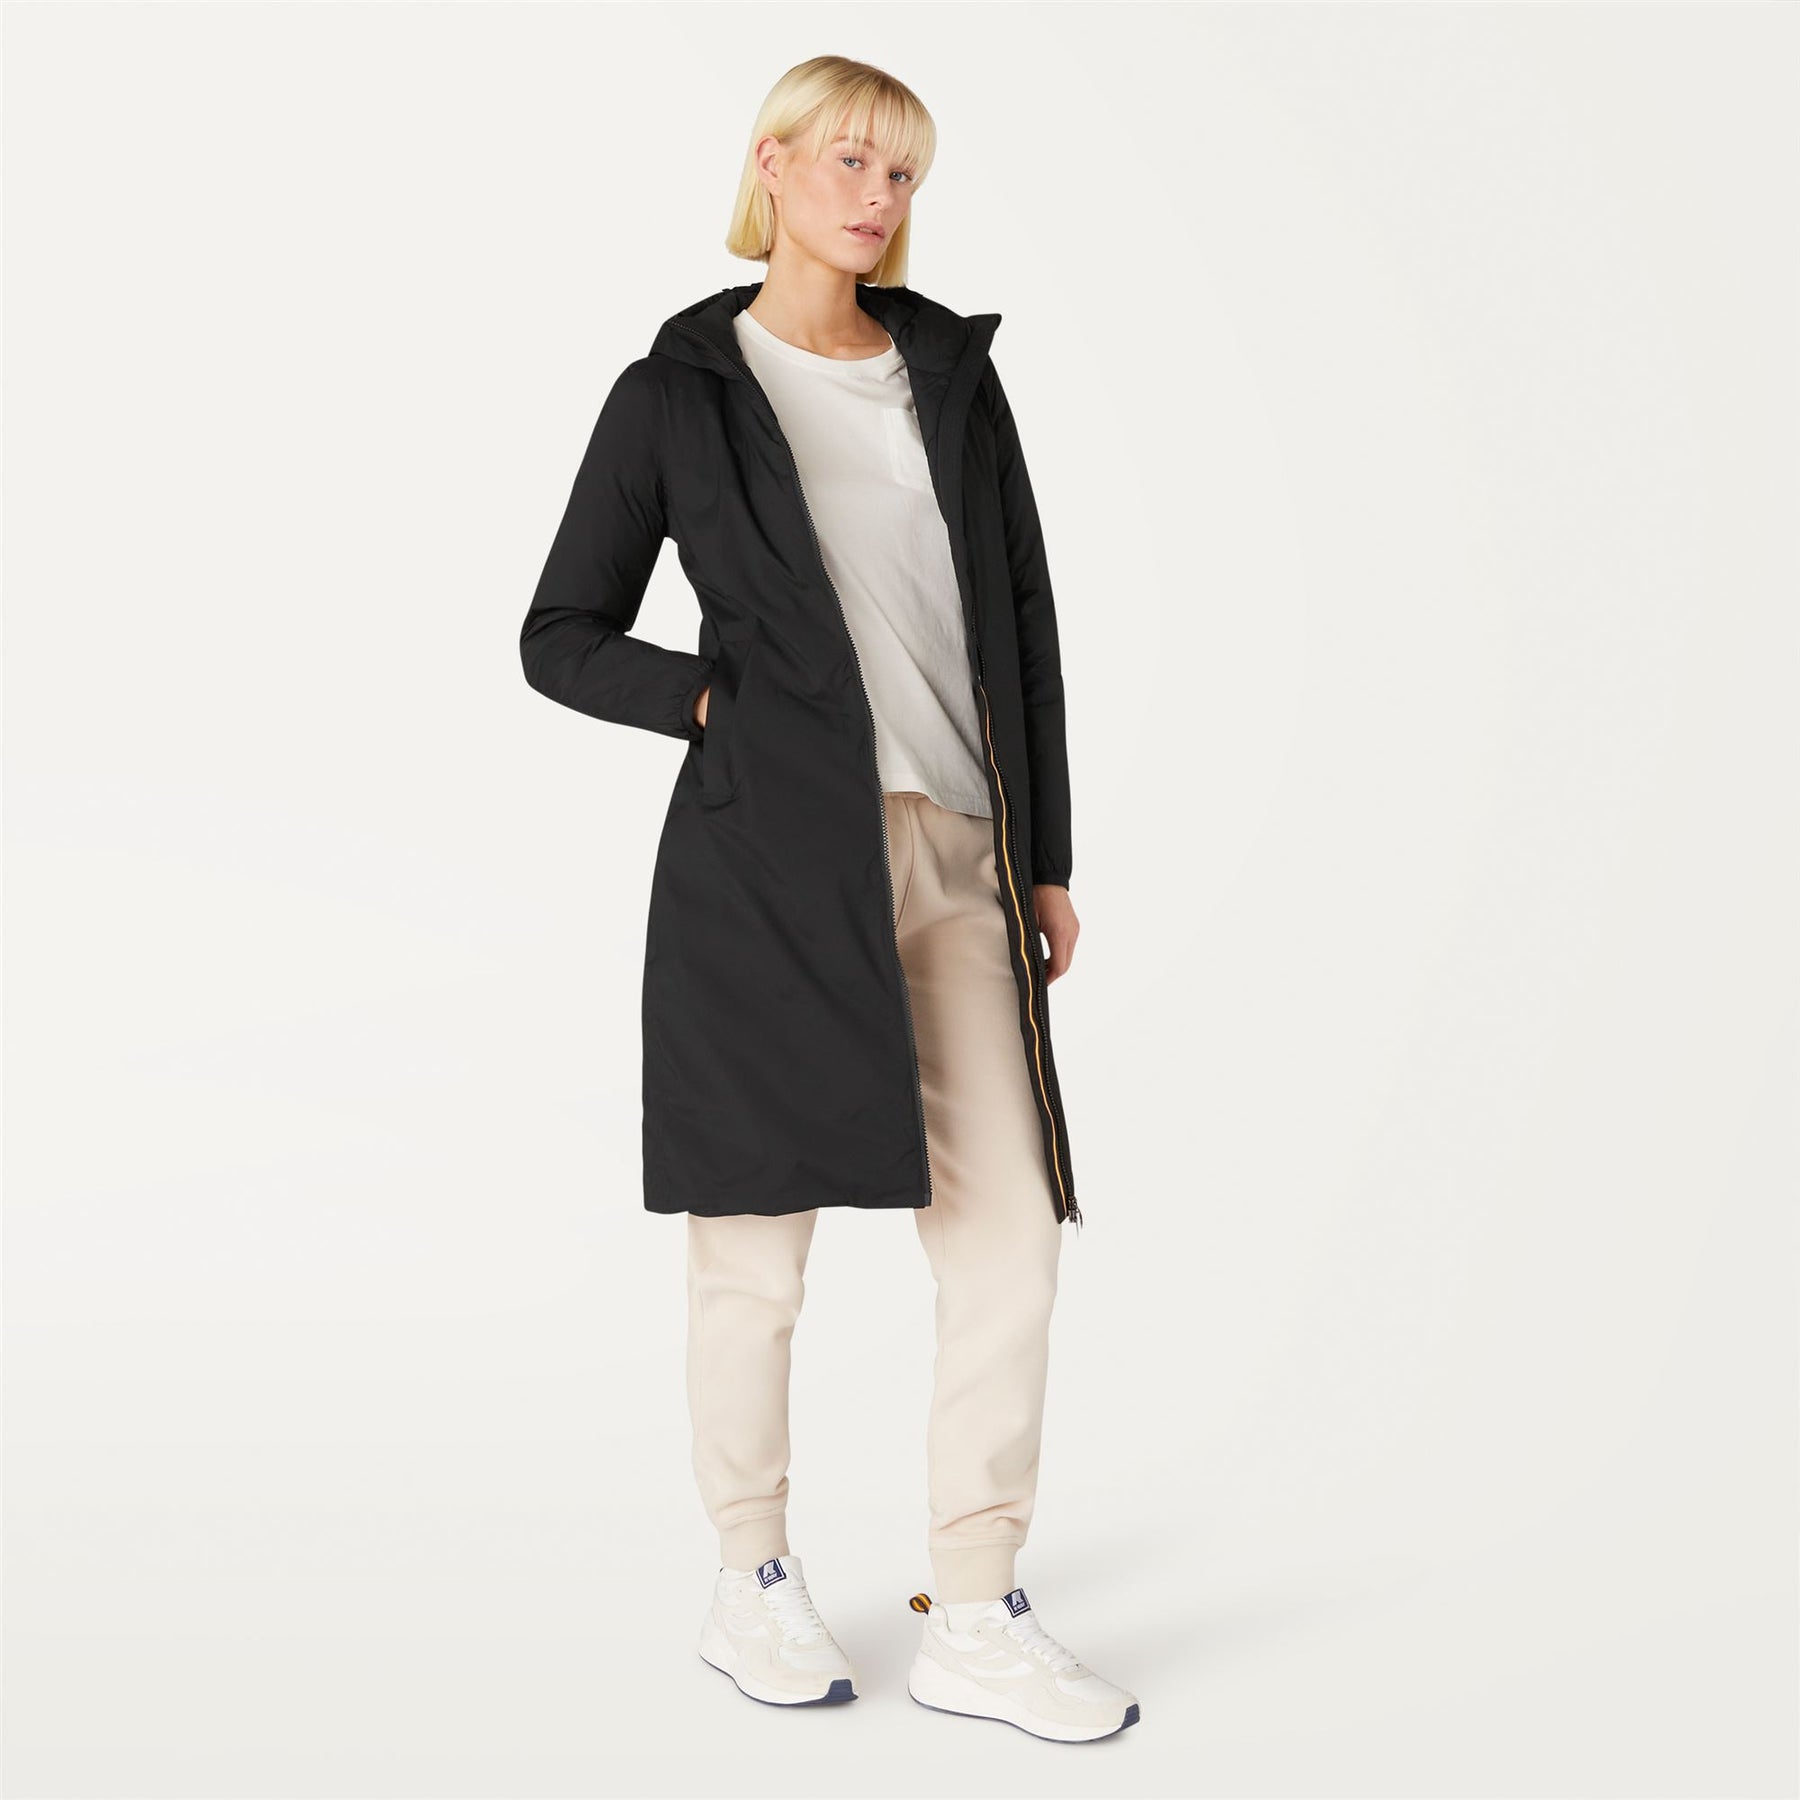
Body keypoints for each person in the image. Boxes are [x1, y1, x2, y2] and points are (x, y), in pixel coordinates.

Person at [519, 55, 1138, 1743]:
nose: (880, 197)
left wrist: (1046, 855)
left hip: (959, 853)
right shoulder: (677, 392)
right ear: (775, 166)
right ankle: (751, 1576)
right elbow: (559, 634)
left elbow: (1022, 620)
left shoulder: (951, 378)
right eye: (853, 161)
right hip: (772, 863)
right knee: (754, 1248)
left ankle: (977, 1605)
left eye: (905, 174)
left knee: (1009, 1234)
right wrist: (712, 702)